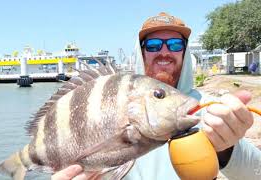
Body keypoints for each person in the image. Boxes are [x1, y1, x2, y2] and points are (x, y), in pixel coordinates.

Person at [52, 12, 261, 180]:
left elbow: (256, 173)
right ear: (142, 53)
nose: (164, 51)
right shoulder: (113, 103)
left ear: (184, 53)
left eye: (175, 44)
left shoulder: (205, 108)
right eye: (153, 45)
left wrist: (227, 149)